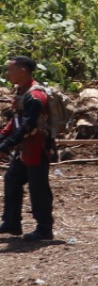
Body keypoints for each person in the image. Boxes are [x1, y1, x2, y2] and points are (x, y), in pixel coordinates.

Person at [0, 55, 53, 241]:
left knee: (38, 188)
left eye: (10, 69)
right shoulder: (21, 92)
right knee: (12, 180)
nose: (8, 73)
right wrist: (2, 138)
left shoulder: (35, 96)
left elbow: (28, 125)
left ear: (23, 71)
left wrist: (6, 146)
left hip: (37, 148)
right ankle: (12, 223)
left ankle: (45, 228)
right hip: (24, 148)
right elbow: (14, 122)